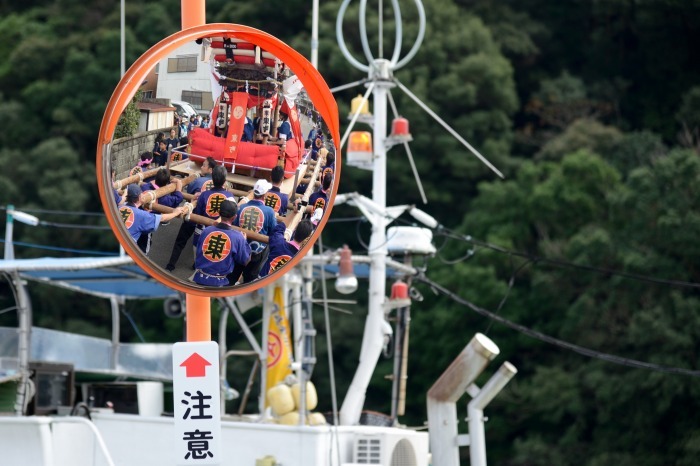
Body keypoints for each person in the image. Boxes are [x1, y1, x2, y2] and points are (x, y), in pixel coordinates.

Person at [165, 164, 228, 272]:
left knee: (181, 241)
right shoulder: (228, 194)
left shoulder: (200, 184)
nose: (202, 167)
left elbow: (190, 192)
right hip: (212, 224)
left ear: (211, 171)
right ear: (225, 180)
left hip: (195, 218)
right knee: (204, 244)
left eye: (204, 165)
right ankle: (196, 265)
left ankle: (171, 264)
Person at [192, 200, 251, 287]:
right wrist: (244, 241)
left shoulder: (206, 230)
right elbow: (245, 261)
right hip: (219, 282)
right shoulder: (238, 237)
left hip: (200, 277)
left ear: (219, 213)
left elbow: (198, 250)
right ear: (234, 217)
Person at [229, 179, 277, 283]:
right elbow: (274, 230)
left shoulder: (241, 207)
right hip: (257, 250)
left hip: (240, 247)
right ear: (265, 195)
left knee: (233, 274)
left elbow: (235, 225)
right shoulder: (269, 211)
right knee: (250, 278)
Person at [119, 184, 182, 254]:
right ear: (139, 197)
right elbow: (162, 218)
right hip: (126, 251)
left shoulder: (120, 207)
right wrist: (175, 213)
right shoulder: (142, 215)